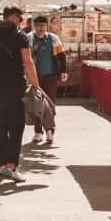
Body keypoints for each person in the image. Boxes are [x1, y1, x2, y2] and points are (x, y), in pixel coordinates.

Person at [0, 5, 40, 182]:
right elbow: (28, 62)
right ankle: (12, 166)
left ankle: (2, 165)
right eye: (20, 19)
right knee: (16, 126)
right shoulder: (20, 37)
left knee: (0, 126)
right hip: (15, 87)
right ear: (12, 18)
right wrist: (36, 85)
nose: (20, 23)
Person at [29, 15, 68, 144]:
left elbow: (62, 55)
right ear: (34, 26)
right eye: (38, 25)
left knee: (50, 104)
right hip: (35, 77)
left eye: (43, 26)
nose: (41, 28)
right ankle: (38, 132)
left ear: (46, 26)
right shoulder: (29, 38)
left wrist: (63, 71)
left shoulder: (53, 38)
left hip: (51, 76)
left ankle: (50, 131)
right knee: (37, 105)